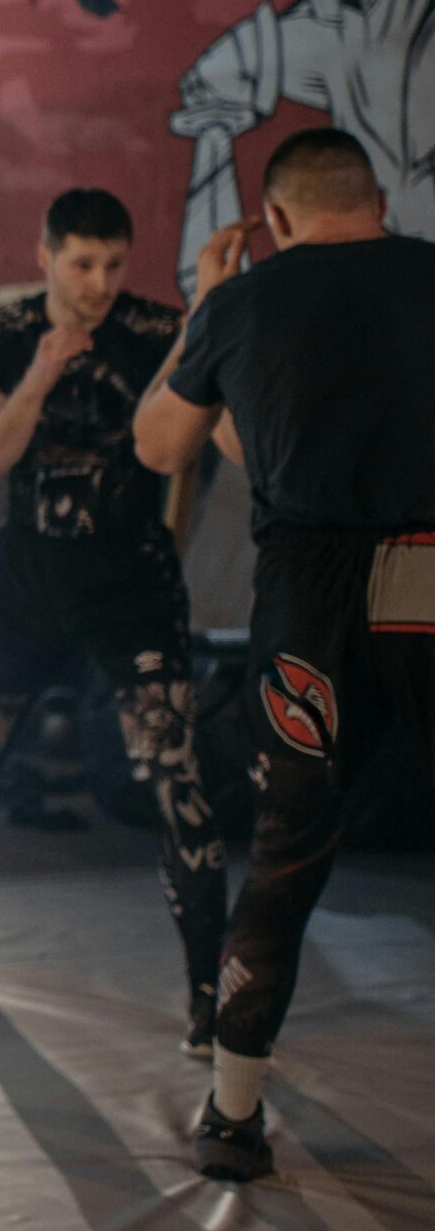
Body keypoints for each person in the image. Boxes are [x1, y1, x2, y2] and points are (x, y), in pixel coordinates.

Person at [136, 127, 435, 1183]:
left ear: (274, 219)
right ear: (377, 201)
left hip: (313, 594)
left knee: (288, 847)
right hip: (431, 567)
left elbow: (161, 444)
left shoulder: (247, 300)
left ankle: (230, 1113)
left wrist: (203, 318)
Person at [0, 189, 228, 1054]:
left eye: (114, 263)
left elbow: (174, 449)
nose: (101, 281)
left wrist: (208, 318)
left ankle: (209, 987)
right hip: (28, 575)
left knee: (172, 777)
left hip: (130, 578)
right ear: (46, 256)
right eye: (82, 263)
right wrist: (42, 370)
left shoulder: (156, 330)